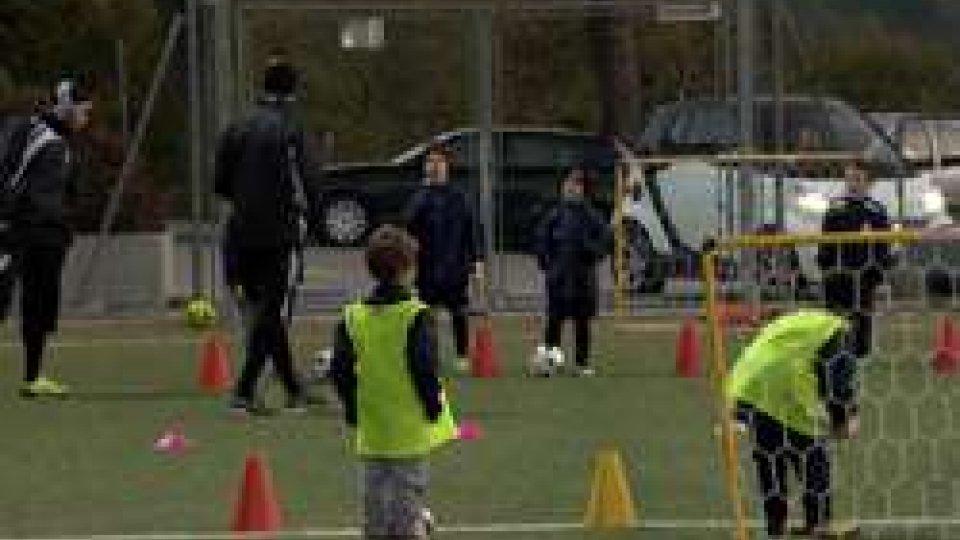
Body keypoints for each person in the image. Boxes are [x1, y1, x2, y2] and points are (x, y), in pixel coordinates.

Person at [329, 225, 457, 539]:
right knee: (405, 511)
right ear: (407, 270)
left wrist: (351, 407)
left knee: (374, 514)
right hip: (408, 431)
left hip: (372, 429)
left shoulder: (352, 316)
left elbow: (340, 369)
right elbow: (424, 367)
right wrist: (432, 405)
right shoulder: (416, 315)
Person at [215, 59, 321, 414]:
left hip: (240, 230)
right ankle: (244, 392)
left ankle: (292, 387)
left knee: (267, 313)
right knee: (271, 311)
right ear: (293, 91)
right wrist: (312, 219)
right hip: (277, 233)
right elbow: (307, 182)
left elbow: (221, 183)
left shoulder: (237, 125)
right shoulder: (291, 128)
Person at [726, 309, 860, 539]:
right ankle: (817, 524)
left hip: (757, 392)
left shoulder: (800, 320)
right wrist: (844, 420)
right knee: (814, 463)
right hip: (792, 397)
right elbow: (836, 383)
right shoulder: (838, 332)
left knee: (770, 466)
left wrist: (740, 411)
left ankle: (776, 527)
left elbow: (758, 355)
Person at [0, 78, 91, 398]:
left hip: (42, 235)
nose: (86, 116)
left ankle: (33, 377)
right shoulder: (43, 138)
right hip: (22, 232)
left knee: (38, 306)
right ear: (66, 109)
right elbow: (21, 184)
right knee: (12, 298)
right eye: (82, 109)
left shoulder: (56, 139)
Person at [403, 143, 482, 371]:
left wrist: (476, 263)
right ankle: (430, 355)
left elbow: (470, 231)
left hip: (455, 266)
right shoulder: (419, 197)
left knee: (459, 312)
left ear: (447, 166)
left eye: (439, 161)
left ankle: (462, 356)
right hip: (427, 267)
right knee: (427, 315)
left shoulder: (460, 197)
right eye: (430, 162)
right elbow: (407, 224)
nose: (434, 166)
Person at [533, 164, 612, 376]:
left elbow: (604, 244)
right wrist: (547, 265)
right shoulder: (553, 215)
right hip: (558, 279)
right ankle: (551, 362)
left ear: (584, 189)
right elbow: (542, 242)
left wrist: (590, 249)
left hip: (583, 280)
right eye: (568, 183)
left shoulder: (593, 216)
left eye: (577, 184)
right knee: (554, 322)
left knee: (582, 322)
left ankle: (582, 364)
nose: (571, 188)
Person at [816, 160, 893, 358]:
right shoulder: (835, 209)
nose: (852, 184)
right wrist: (826, 270)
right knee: (834, 327)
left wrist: (878, 275)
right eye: (849, 179)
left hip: (864, 279)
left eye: (857, 179)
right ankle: (834, 360)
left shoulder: (877, 211)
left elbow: (883, 248)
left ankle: (858, 359)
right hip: (837, 279)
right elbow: (825, 246)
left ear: (869, 183)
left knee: (861, 327)